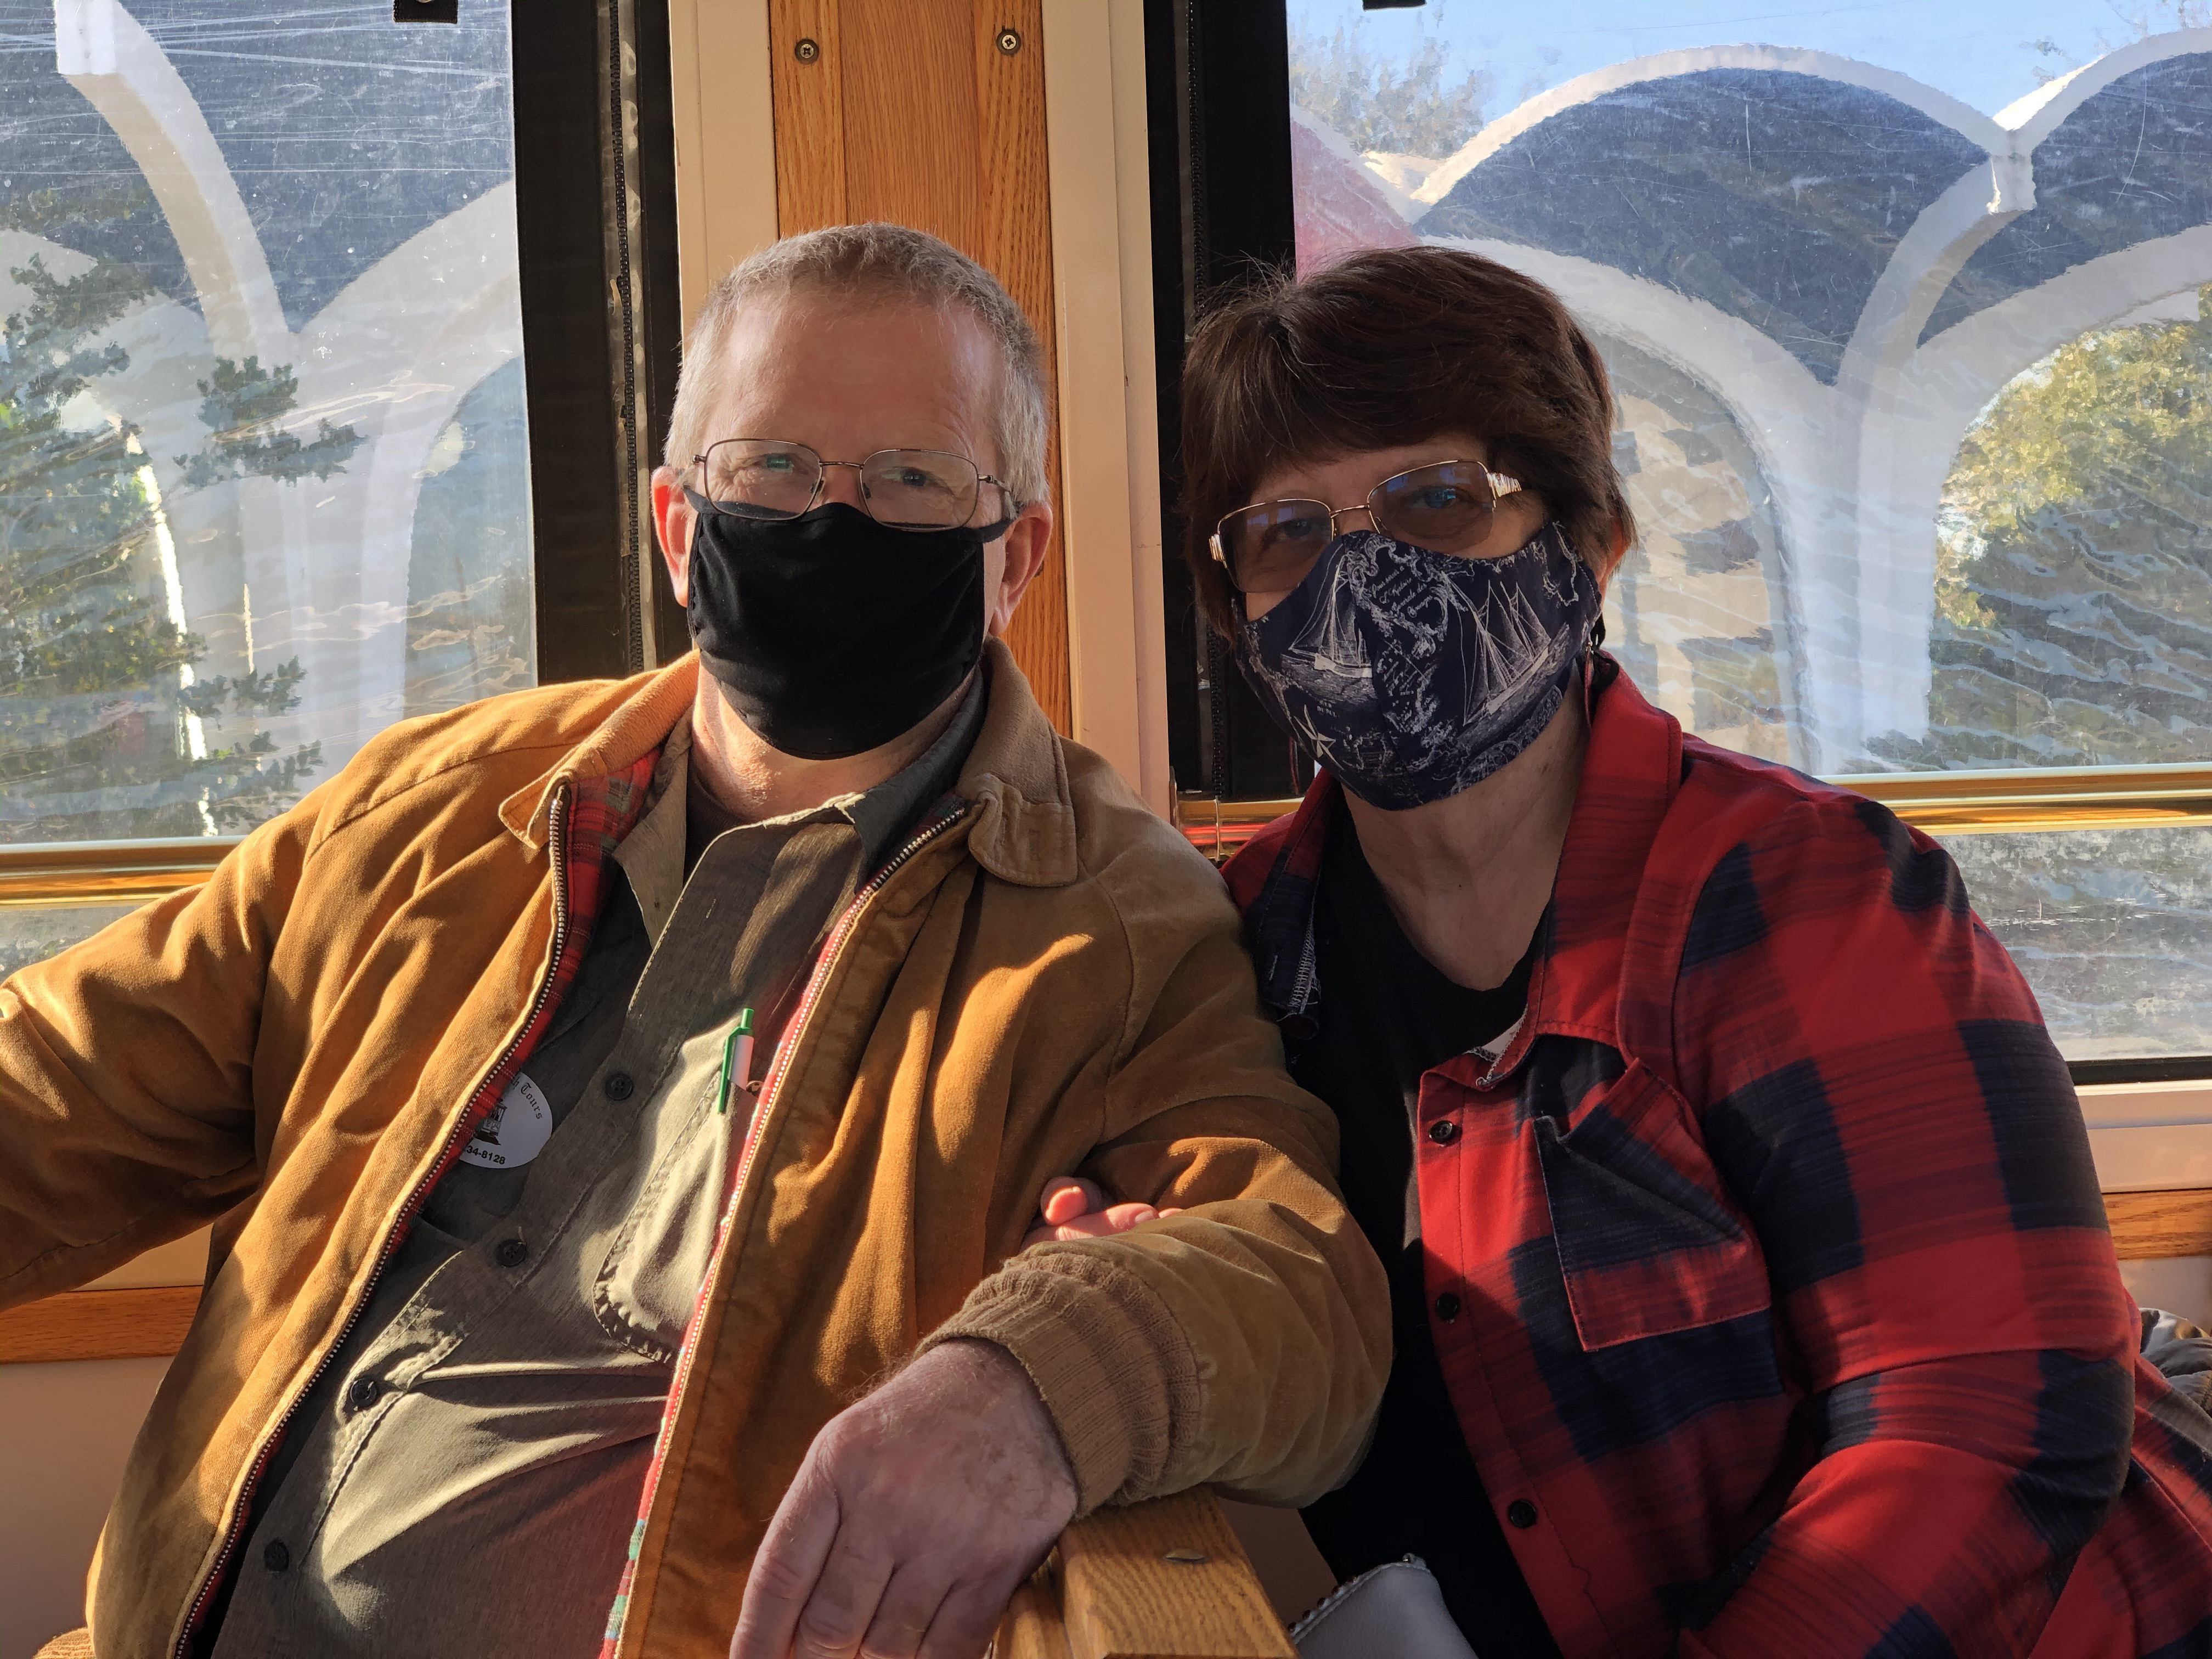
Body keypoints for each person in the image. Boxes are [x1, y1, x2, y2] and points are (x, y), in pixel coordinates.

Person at [0, 223, 1388, 1659]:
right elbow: (56, 1082)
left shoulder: (1111, 922)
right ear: (678, 526)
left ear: (1014, 558)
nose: (832, 523)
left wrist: (1033, 1384)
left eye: (912, 481)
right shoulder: (428, 813)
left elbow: (1305, 1293)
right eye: (772, 469)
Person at [1040, 246, 2212, 1657]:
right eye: (1289, 531)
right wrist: (1166, 1304)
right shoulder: (1225, 958)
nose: (1364, 575)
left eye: (1437, 500)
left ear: (1589, 545)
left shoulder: (1812, 898)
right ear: (1237, 610)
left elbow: (1987, 1416)